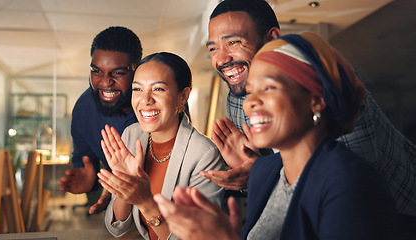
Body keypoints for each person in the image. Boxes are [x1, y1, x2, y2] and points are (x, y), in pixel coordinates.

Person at [155, 32, 397, 240]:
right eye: (250, 91)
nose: (251, 103)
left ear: (316, 99)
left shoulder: (349, 180)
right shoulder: (263, 171)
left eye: (269, 87)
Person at [201, 0, 416, 216]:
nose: (221, 59)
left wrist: (260, 172)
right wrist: (250, 173)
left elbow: (343, 181)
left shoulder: (324, 85)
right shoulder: (239, 99)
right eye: (213, 48)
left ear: (272, 38)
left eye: (234, 42)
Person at [97, 52, 225, 240]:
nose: (145, 100)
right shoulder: (132, 135)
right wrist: (126, 187)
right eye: (137, 89)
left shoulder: (204, 155)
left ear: (183, 96)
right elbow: (117, 228)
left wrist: (146, 203)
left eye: (158, 89)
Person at [57, 26, 142, 213]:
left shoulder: (159, 102)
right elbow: (85, 161)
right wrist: (92, 181)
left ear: (137, 71)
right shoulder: (83, 109)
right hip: (122, 214)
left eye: (117, 73)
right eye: (96, 71)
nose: (105, 83)